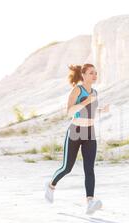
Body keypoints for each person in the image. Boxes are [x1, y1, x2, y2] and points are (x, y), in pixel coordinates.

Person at [45, 64, 109, 215]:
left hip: (89, 132)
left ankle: (90, 202)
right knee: (67, 167)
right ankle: (51, 185)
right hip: (75, 131)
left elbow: (90, 111)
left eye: (96, 73)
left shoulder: (94, 92)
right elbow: (70, 111)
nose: (94, 75)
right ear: (84, 75)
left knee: (89, 168)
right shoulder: (77, 90)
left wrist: (101, 110)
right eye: (91, 73)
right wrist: (86, 101)